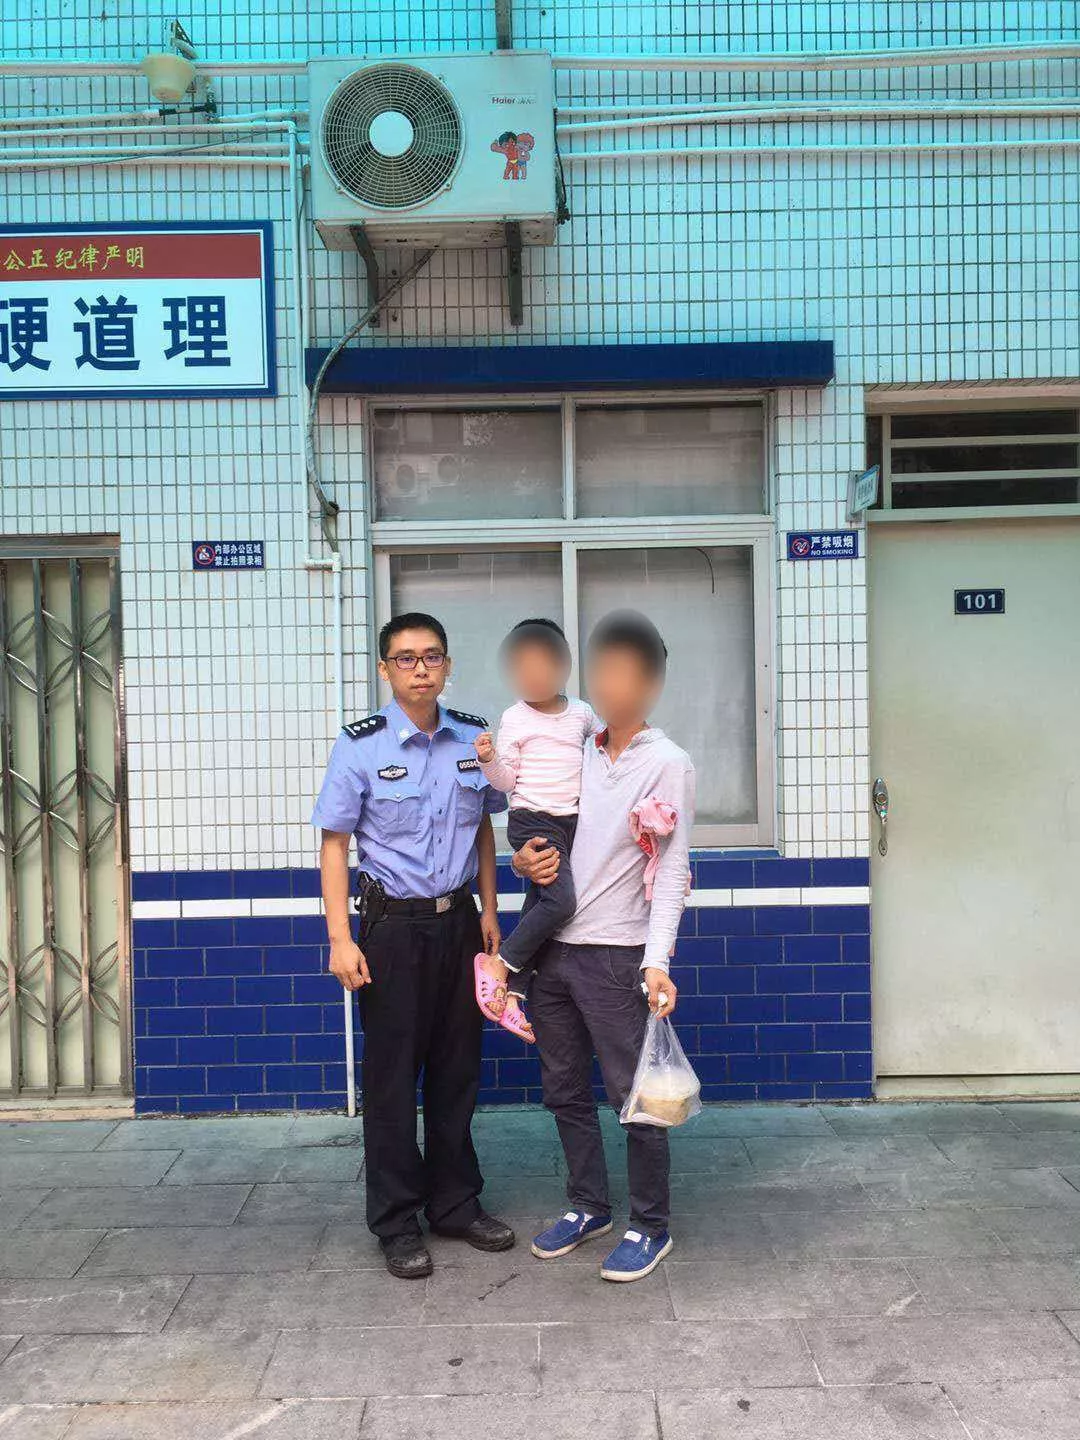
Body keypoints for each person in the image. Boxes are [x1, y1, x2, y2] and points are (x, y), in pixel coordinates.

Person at [311, 611, 515, 1280]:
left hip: (459, 924)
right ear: (385, 669)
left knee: (457, 1072)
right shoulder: (361, 746)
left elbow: (484, 829)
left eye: (431, 656)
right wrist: (340, 938)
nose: (420, 668)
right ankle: (397, 1221)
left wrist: (489, 909)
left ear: (447, 665)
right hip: (391, 930)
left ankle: (454, 1203)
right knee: (394, 1079)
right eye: (406, 658)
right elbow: (335, 845)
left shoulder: (472, 739)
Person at [513, 610, 695, 1283]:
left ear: (651, 682)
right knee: (563, 1090)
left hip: (618, 955)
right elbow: (539, 827)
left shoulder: (668, 763)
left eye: (626, 673)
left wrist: (657, 960)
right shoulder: (577, 748)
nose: (611, 685)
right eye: (602, 671)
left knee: (637, 1098)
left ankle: (651, 1224)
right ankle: (588, 1205)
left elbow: (672, 869)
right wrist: (521, 864)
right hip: (552, 951)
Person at [472, 618, 600, 1043]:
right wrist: (489, 761)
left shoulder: (582, 713)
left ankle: (513, 993)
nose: (532, 675)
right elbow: (506, 781)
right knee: (561, 902)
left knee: (540, 901)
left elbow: (605, 750)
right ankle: (498, 965)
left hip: (571, 821)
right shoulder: (515, 717)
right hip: (533, 819)